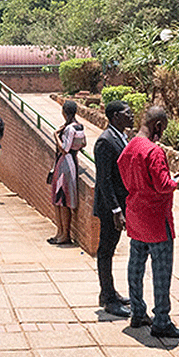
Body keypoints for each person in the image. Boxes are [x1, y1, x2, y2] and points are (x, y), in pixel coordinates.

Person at [117, 106, 179, 339]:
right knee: (161, 272)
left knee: (136, 267)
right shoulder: (154, 151)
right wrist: (178, 181)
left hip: (136, 215)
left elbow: (122, 170)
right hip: (157, 220)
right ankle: (162, 319)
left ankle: (138, 311)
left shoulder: (129, 147)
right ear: (158, 126)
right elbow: (162, 185)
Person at [92, 100, 135, 318]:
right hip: (111, 207)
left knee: (110, 248)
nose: (132, 115)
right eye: (128, 113)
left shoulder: (120, 137)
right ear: (116, 116)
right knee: (106, 249)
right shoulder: (105, 142)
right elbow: (104, 180)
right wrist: (116, 210)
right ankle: (108, 298)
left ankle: (110, 292)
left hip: (120, 204)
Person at [47, 100, 86, 245]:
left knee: (62, 199)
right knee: (58, 200)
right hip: (69, 162)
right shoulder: (79, 126)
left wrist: (56, 135)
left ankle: (64, 234)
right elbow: (83, 143)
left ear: (64, 111)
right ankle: (60, 233)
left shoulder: (69, 129)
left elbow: (64, 148)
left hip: (66, 163)